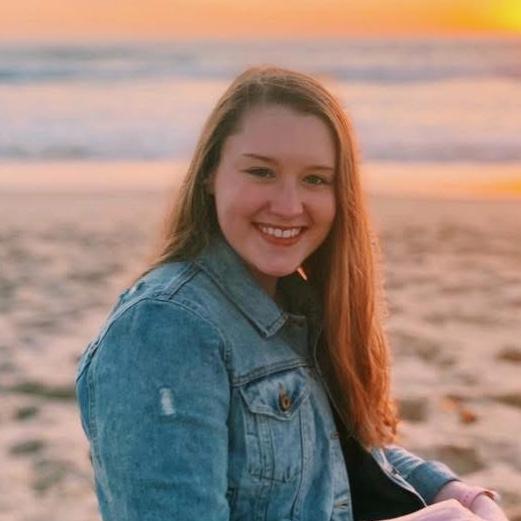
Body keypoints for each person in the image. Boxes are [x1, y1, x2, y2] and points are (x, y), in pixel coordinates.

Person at [75, 66, 507, 521]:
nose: (288, 205)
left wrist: (456, 493)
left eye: (315, 179)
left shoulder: (298, 305)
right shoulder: (164, 329)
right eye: (261, 172)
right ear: (209, 174)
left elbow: (331, 457)